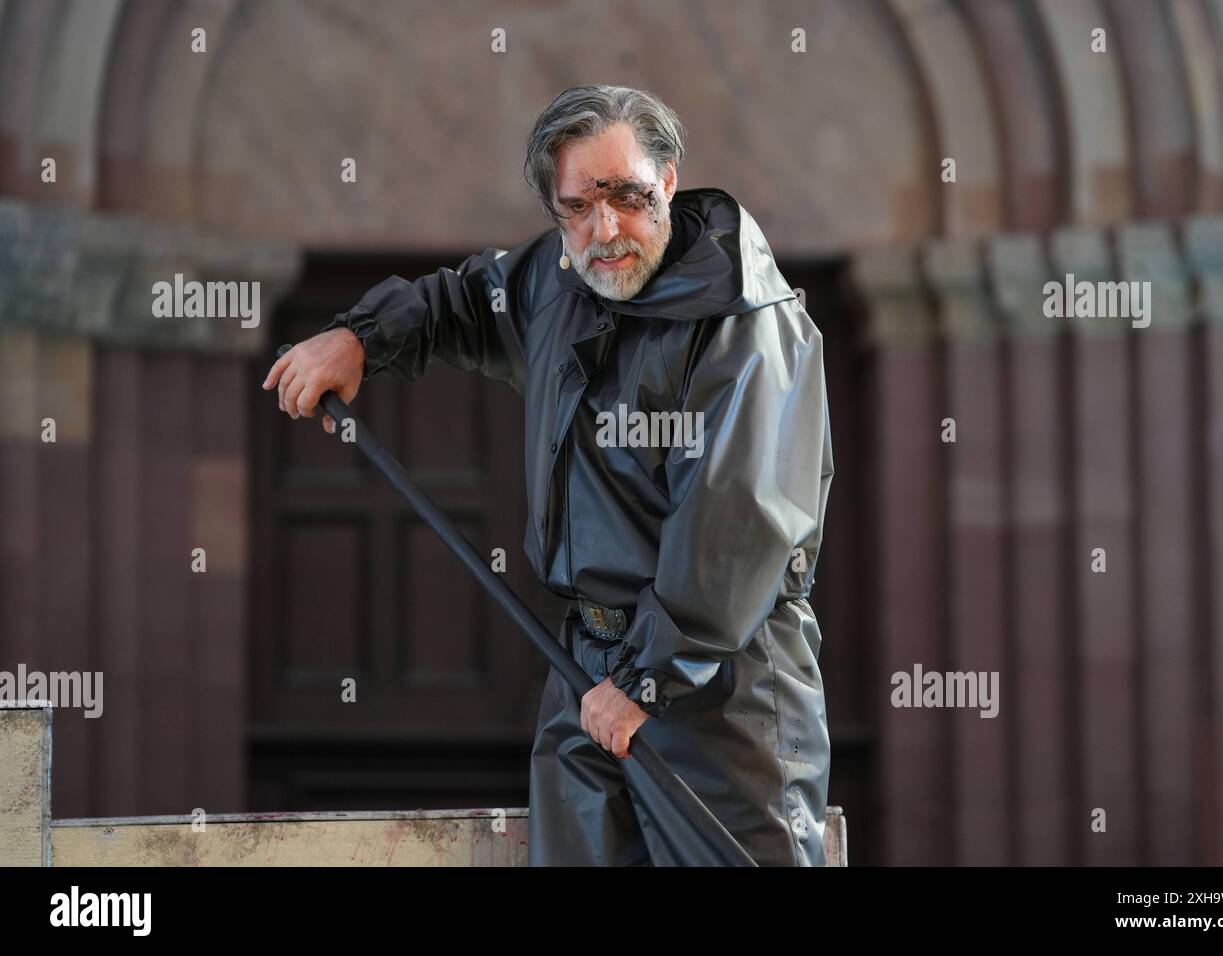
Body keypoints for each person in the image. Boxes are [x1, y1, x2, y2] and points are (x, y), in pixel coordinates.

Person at [262, 84, 834, 866]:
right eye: (579, 207)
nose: (608, 230)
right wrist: (358, 337)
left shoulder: (747, 324)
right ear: (555, 210)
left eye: (630, 198)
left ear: (668, 181)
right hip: (587, 672)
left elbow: (740, 525)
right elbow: (461, 303)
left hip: (719, 689)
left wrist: (647, 681)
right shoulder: (556, 279)